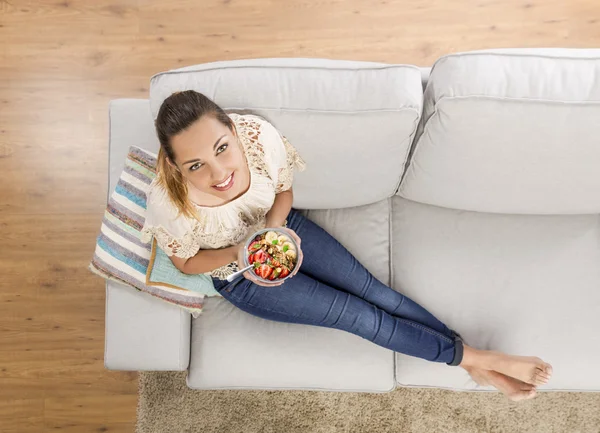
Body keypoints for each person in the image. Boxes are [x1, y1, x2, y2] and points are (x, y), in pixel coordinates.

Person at [141, 90, 553, 402]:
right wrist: (242, 254)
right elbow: (186, 262)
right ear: (176, 166)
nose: (219, 173)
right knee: (359, 317)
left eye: (222, 148)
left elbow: (283, 192)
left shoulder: (257, 138)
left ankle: (474, 361)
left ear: (232, 130)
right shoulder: (168, 203)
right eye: (196, 166)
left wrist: (271, 232)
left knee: (376, 293)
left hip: (283, 230)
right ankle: (480, 361)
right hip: (241, 276)